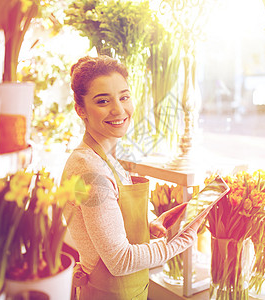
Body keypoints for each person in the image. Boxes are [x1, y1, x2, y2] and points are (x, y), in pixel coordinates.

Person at [62, 55, 205, 300]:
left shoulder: (107, 158)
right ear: (80, 110)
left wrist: (150, 224)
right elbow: (119, 260)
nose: (119, 109)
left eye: (124, 97)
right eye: (103, 101)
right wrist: (179, 242)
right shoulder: (89, 170)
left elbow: (113, 219)